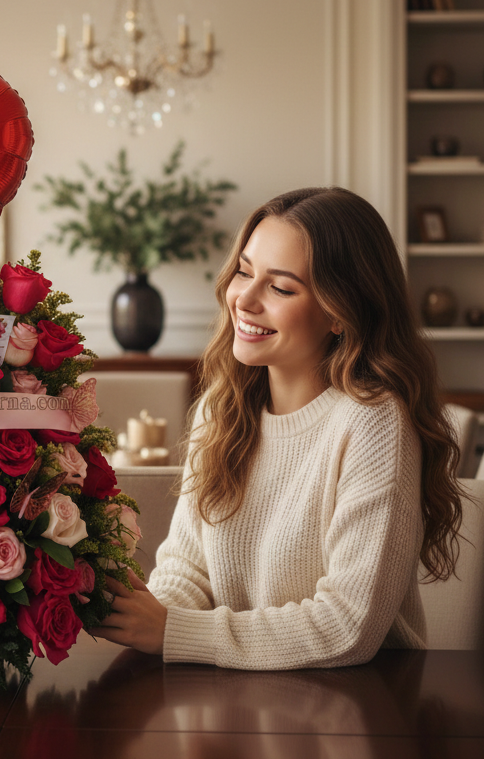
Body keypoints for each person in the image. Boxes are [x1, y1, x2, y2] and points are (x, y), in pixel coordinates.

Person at [90, 186, 464, 669]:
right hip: (236, 700)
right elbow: (189, 570)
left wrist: (171, 630)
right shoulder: (220, 408)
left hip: (363, 706)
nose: (243, 298)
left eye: (281, 287)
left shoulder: (373, 423)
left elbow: (348, 626)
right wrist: (142, 612)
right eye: (244, 271)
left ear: (340, 312)